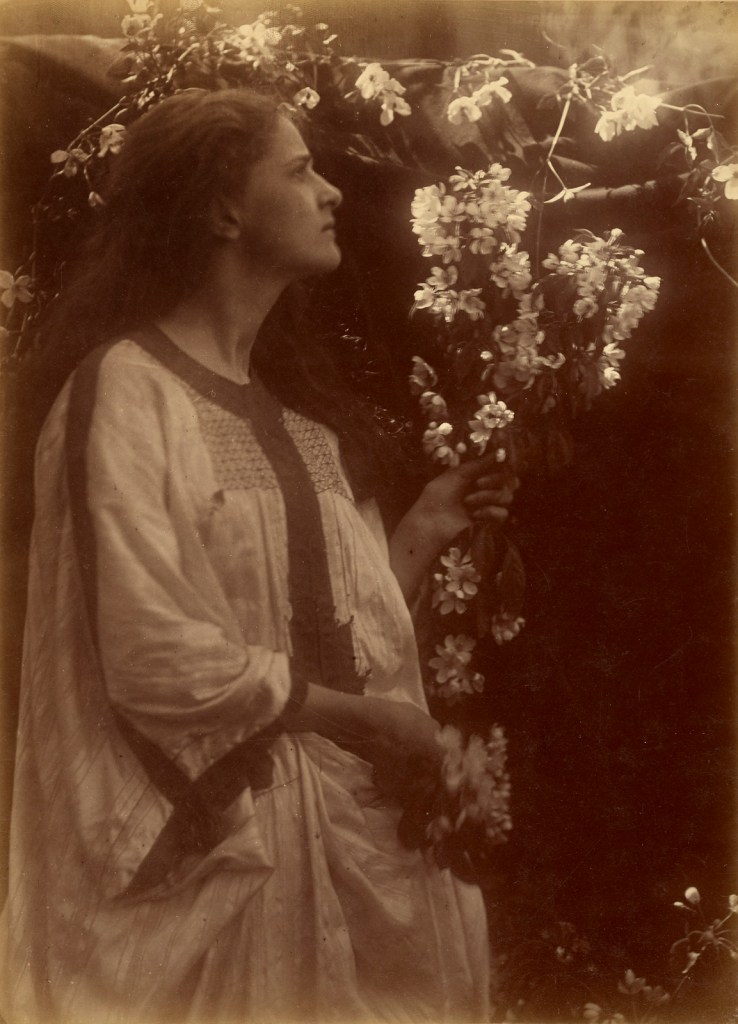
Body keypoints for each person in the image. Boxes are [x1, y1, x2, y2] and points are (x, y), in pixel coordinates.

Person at [2, 88, 514, 1024]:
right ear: (222, 209)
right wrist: (372, 722)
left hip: (347, 855)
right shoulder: (125, 390)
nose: (330, 194)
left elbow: (330, 638)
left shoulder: (306, 433)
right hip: (228, 867)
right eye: (300, 168)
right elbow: (155, 655)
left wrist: (415, 538)